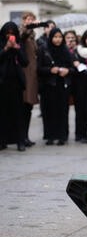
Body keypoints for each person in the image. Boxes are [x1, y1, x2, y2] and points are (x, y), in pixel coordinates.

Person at [37, 28, 73, 146]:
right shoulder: (44, 49)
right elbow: (39, 68)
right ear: (50, 37)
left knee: (62, 111)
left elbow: (72, 67)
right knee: (49, 111)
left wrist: (67, 71)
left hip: (62, 85)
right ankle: (50, 136)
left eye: (59, 37)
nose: (57, 40)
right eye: (55, 37)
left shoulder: (65, 50)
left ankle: (62, 136)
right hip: (49, 85)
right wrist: (50, 70)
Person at [0, 22, 29, 151]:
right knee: (3, 113)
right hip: (2, 83)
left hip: (16, 83)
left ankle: (20, 140)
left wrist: (17, 49)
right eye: (8, 33)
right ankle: (2, 140)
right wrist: (5, 49)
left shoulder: (19, 44)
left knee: (18, 113)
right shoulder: (2, 43)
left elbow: (25, 62)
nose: (10, 36)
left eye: (12, 33)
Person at [19, 11, 39, 147]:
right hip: (25, 75)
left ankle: (25, 136)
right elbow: (23, 35)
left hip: (32, 75)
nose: (29, 21)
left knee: (28, 109)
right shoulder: (23, 32)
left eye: (32, 19)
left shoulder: (32, 37)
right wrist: (28, 27)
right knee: (22, 108)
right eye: (27, 19)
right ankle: (21, 137)